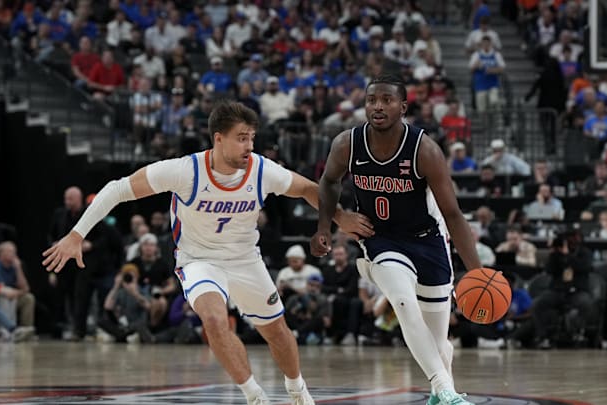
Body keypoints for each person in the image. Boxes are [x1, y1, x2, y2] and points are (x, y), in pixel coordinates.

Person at [43, 101, 373, 405]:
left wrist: (340, 217)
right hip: (199, 260)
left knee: (278, 333)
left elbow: (306, 188)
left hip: (245, 259)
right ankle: (255, 397)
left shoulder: (261, 169)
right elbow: (118, 189)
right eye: (241, 138)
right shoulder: (185, 171)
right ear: (218, 139)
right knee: (214, 321)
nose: (250, 146)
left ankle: (297, 388)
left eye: (252, 138)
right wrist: (76, 234)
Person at [310, 75, 481, 405]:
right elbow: (329, 182)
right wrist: (326, 225)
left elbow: (453, 214)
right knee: (402, 302)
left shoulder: (425, 149)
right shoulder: (348, 143)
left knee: (438, 341)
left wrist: (475, 271)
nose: (377, 106)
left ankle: (438, 394)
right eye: (372, 99)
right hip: (380, 239)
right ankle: (446, 390)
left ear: (402, 107)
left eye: (386, 100)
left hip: (427, 240)